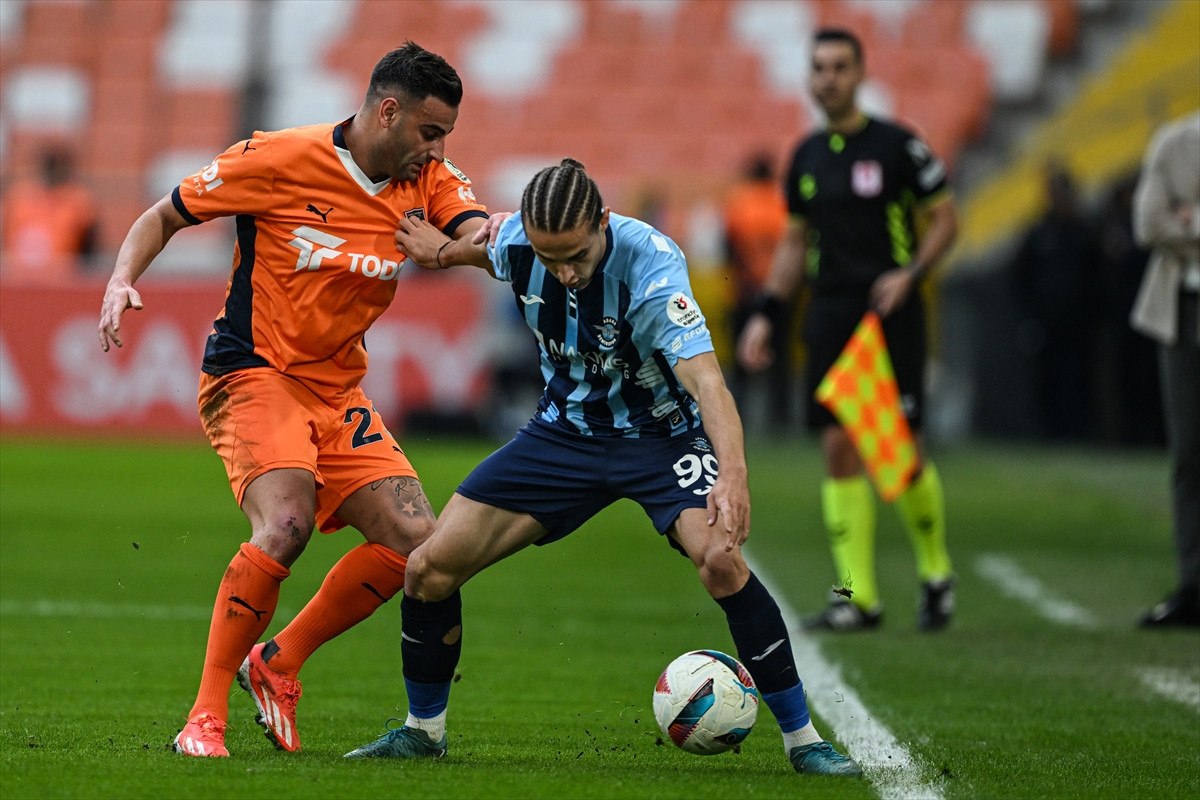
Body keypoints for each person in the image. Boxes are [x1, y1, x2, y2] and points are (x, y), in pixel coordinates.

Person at [342, 159, 863, 777]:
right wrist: (443, 253)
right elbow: (493, 252)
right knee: (428, 569)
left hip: (660, 438)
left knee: (721, 559)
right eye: (549, 257)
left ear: (603, 223)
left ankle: (805, 743)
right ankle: (423, 732)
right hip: (563, 436)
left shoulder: (652, 265)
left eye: (576, 257)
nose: (563, 272)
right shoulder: (518, 240)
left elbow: (709, 384)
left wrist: (734, 476)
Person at [96, 42, 489, 757]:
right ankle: (203, 716)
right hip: (254, 373)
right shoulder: (276, 159)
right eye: (431, 133)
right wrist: (122, 278)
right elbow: (164, 215)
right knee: (285, 523)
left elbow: (486, 241)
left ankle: (277, 662)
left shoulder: (430, 179)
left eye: (446, 139)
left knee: (420, 548)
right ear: (389, 112)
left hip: (337, 389)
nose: (437, 151)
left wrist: (450, 252)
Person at [737, 28, 959, 632]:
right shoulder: (805, 156)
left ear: (860, 75)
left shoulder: (898, 146)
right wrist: (768, 313)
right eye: (819, 68)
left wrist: (911, 273)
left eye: (840, 67)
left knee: (898, 449)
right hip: (830, 313)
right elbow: (792, 242)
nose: (828, 78)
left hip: (890, 311)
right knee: (837, 444)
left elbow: (945, 218)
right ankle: (855, 595)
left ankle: (936, 576)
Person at [1130, 110, 1200, 628]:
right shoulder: (1176, 140)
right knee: (1188, 452)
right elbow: (1148, 222)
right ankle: (1193, 585)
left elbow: (1169, 223)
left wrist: (1189, 217)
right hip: (1181, 310)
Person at [1009, 165, 1100, 441]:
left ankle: (1078, 431)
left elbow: (1097, 275)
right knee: (1047, 378)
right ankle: (1049, 432)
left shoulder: (1083, 231)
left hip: (1079, 322)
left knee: (1078, 377)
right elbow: (1019, 276)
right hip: (1045, 321)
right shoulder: (1037, 233)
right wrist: (1028, 316)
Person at [722, 152, 792, 431]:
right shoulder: (782, 201)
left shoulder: (739, 203)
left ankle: (738, 416)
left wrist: (744, 278)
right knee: (780, 359)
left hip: (746, 289)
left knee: (742, 359)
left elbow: (729, 248)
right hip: (777, 290)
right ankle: (781, 421)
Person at [1, 146, 98, 280]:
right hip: (19, 280)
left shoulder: (78, 203)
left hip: (62, 281)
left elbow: (89, 250)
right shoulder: (19, 198)